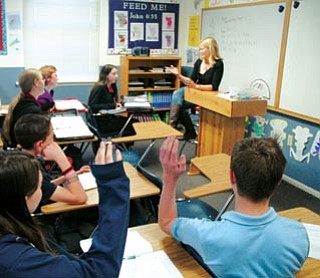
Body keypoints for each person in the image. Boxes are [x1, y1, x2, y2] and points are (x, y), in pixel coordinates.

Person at [0, 141, 130, 277]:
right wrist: (113, 187)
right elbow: (98, 273)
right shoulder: (15, 261)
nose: (43, 190)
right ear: (25, 199)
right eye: (40, 186)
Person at [158, 136, 309, 277]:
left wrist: (170, 178)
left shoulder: (209, 235)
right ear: (278, 181)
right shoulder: (298, 235)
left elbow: (166, 221)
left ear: (232, 176)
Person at [14, 113, 88, 207]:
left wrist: (69, 176)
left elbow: (47, 186)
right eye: (52, 137)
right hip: (45, 218)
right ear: (40, 145)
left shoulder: (22, 159)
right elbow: (80, 198)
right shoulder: (33, 172)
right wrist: (62, 160)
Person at [167, 37, 224, 140]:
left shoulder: (218, 64)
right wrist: (178, 75)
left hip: (208, 94)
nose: (200, 51)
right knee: (178, 97)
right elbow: (191, 80)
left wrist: (196, 86)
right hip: (196, 92)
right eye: (200, 49)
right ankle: (183, 129)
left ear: (210, 49)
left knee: (179, 102)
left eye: (202, 49)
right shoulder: (199, 62)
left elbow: (214, 86)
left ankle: (174, 127)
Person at [88, 64, 137, 138]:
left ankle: (123, 145)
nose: (116, 76)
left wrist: (120, 104)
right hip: (101, 122)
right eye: (113, 74)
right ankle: (124, 145)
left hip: (109, 117)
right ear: (106, 75)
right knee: (132, 124)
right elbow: (92, 106)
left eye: (116, 74)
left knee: (133, 121)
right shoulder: (99, 87)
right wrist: (113, 105)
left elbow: (114, 102)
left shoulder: (112, 86)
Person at [2, 68, 46, 148]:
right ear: (36, 82)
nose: (44, 82)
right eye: (43, 79)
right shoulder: (32, 110)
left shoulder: (22, 101)